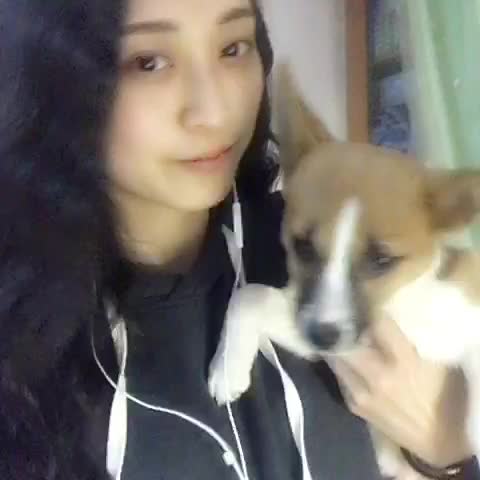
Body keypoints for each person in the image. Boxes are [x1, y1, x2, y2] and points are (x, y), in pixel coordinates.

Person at [0, 0, 476, 479]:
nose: (213, 110)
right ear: (56, 72)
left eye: (233, 48)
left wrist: (447, 453)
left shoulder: (308, 229)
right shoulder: (23, 339)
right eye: (149, 62)